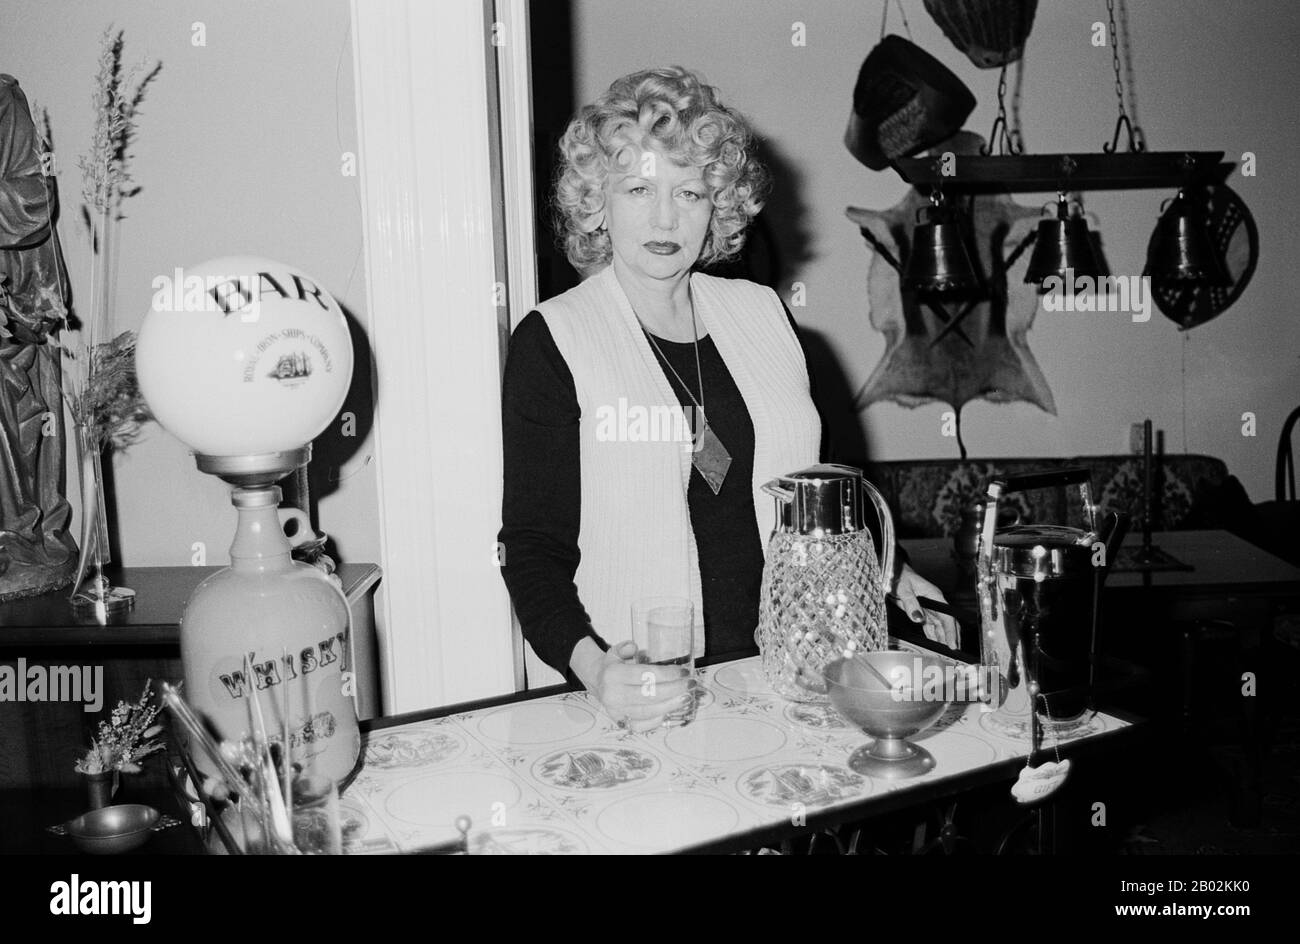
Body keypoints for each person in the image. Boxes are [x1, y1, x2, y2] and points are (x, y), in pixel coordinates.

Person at [498, 67, 956, 731]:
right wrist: (597, 669)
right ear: (596, 202)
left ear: (720, 204)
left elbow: (817, 485)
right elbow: (531, 546)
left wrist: (895, 569)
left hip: (790, 669)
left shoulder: (763, 313)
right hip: (643, 688)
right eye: (637, 188)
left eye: (689, 191)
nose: (665, 217)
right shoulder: (556, 340)